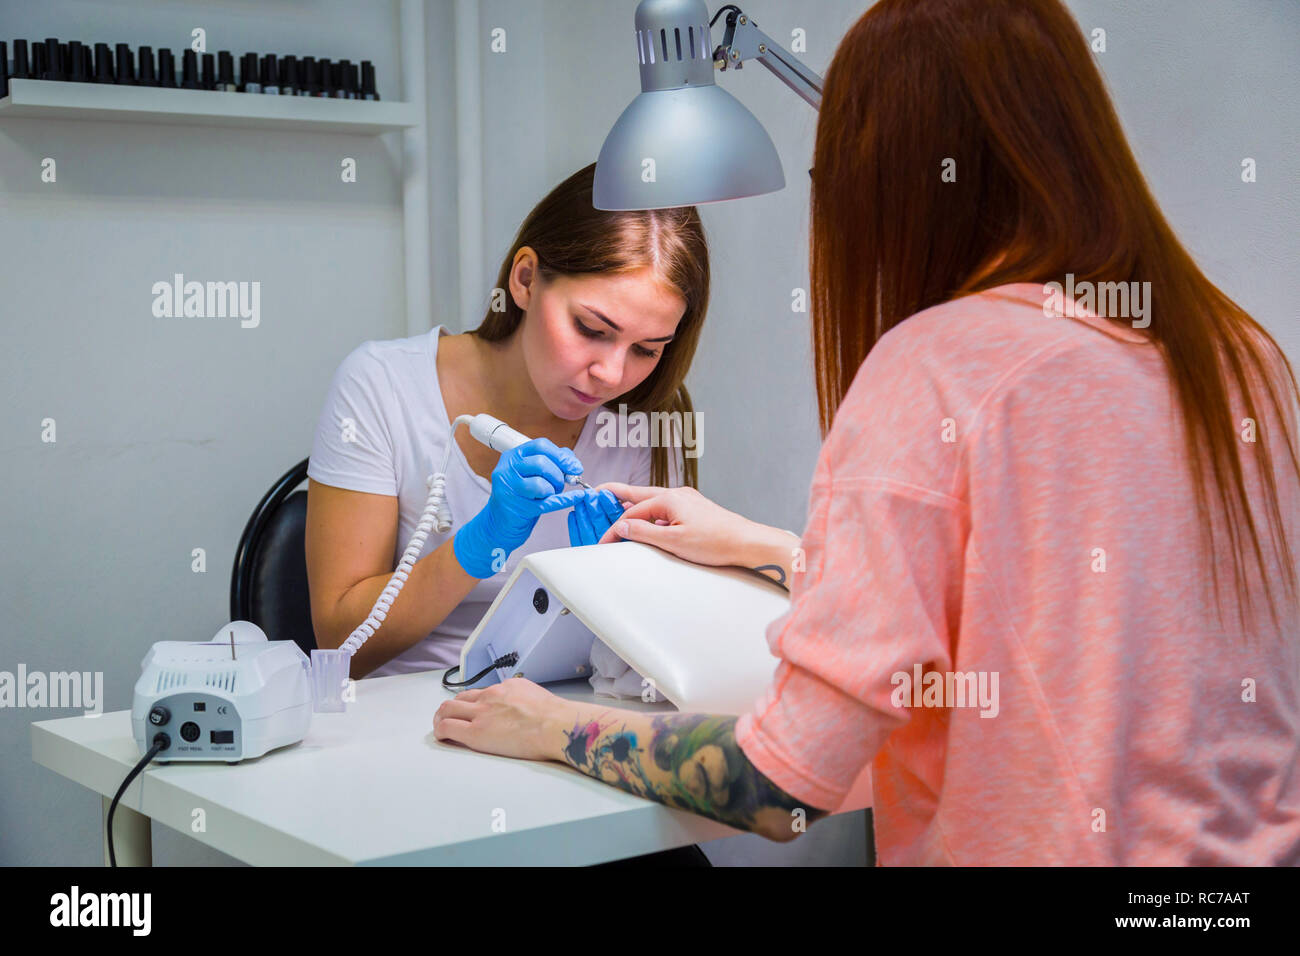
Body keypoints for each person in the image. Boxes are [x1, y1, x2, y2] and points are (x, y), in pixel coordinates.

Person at [432, 0, 1300, 865]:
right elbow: (1041, 613)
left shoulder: (936, 367)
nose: (613, 372)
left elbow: (780, 786)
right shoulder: (1240, 355)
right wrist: (759, 547)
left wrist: (549, 727)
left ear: (877, 182)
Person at [305, 162, 709, 679]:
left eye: (646, 349)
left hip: (565, 718)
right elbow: (340, 642)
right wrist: (480, 544)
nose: (610, 374)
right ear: (524, 280)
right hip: (405, 724)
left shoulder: (647, 417)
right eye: (591, 328)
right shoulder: (381, 385)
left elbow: (660, 654)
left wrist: (612, 583)